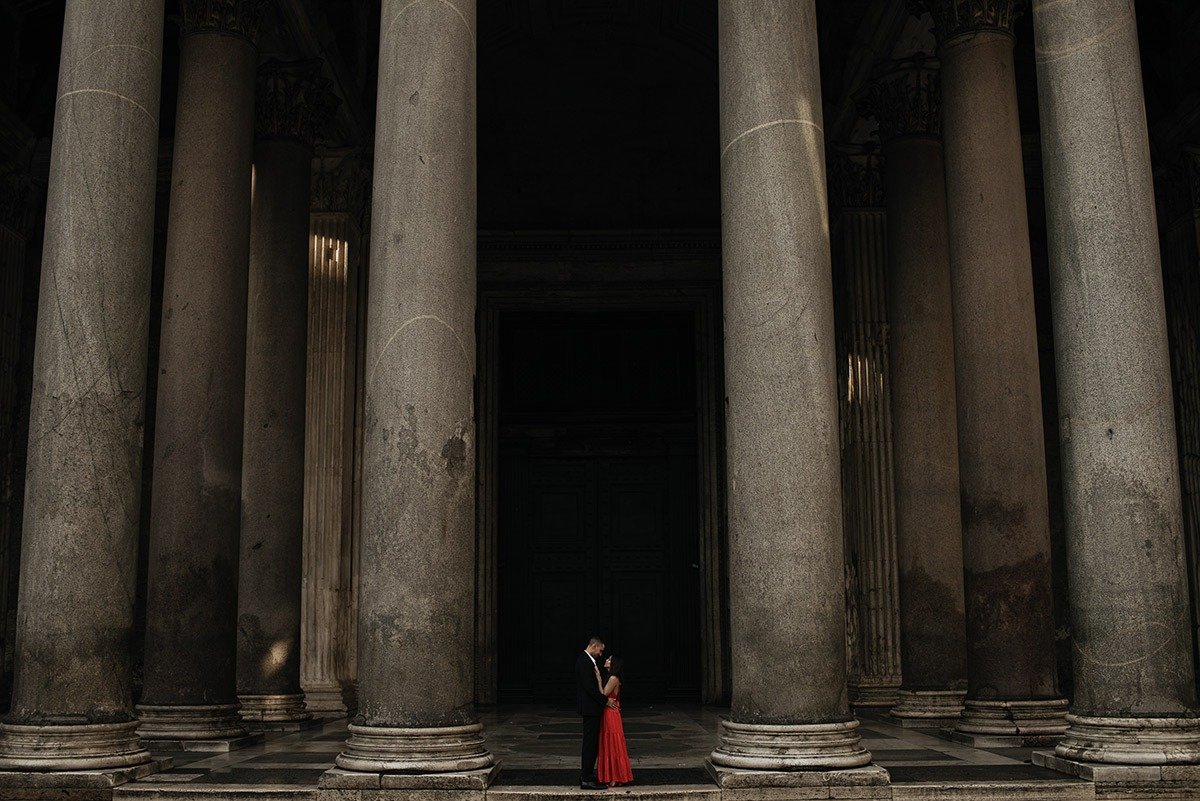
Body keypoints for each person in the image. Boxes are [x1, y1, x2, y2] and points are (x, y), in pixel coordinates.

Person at [575, 636, 615, 790]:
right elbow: (590, 688)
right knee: (590, 744)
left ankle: (587, 775)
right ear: (594, 645)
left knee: (591, 743)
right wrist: (605, 700)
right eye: (600, 650)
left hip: (591, 708)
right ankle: (586, 778)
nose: (601, 653)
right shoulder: (584, 661)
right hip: (590, 709)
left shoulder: (587, 661)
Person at [597, 655, 633, 786]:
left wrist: (597, 678)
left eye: (609, 660)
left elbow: (603, 694)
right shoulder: (613, 678)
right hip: (611, 713)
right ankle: (616, 775)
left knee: (612, 743)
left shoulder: (613, 678)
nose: (606, 660)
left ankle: (614, 777)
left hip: (610, 714)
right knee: (613, 743)